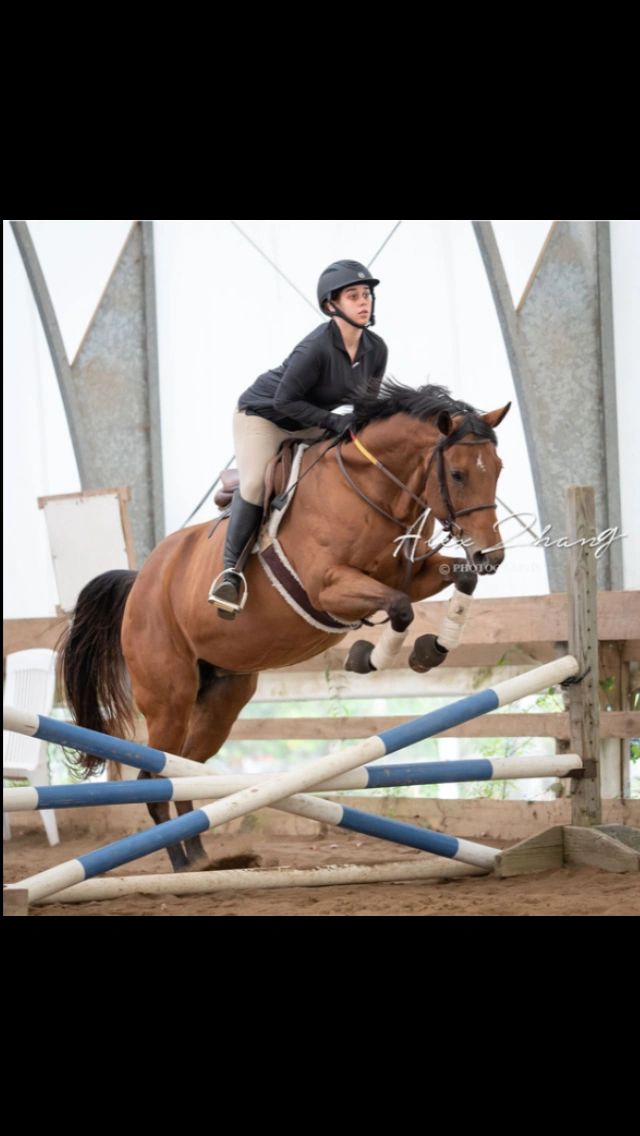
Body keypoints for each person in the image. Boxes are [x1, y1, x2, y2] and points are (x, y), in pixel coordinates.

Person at [208, 259, 389, 618]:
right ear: (331, 306)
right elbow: (284, 401)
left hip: (310, 421)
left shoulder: (376, 349)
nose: (363, 301)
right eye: (353, 296)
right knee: (258, 483)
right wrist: (333, 423)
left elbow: (365, 408)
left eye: (366, 294)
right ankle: (231, 573)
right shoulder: (316, 348)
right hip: (264, 417)